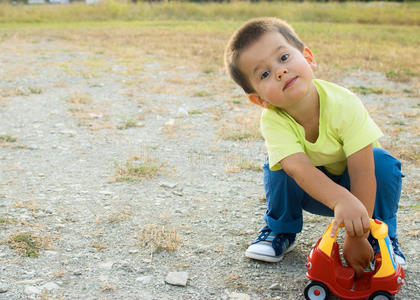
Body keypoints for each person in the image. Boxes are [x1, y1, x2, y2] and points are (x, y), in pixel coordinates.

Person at [224, 17, 406, 277]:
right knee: (278, 164)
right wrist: (340, 200)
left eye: (284, 57)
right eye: (264, 74)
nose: (279, 71)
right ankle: (280, 228)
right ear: (259, 100)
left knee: (382, 163)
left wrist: (357, 234)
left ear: (308, 58)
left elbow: (363, 172)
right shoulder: (273, 119)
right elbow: (298, 169)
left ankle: (381, 236)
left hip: (358, 188)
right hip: (315, 191)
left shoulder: (344, 104)